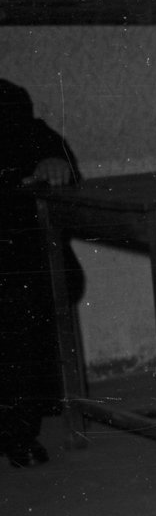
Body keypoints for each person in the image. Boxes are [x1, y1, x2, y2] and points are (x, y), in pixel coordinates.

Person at [0, 79, 82, 468]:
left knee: (21, 294)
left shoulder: (9, 100)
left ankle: (17, 430)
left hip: (18, 260)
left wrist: (54, 161)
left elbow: (49, 148)